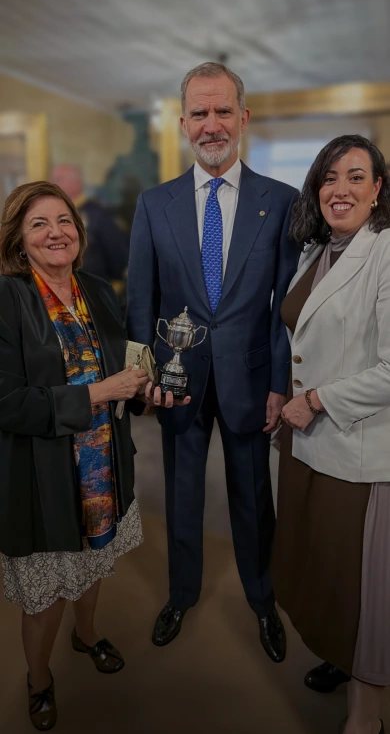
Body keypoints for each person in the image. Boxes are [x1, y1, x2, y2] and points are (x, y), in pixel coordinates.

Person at [127, 62, 299, 659]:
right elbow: (141, 300)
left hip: (250, 377)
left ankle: (263, 601)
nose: (212, 124)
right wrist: (143, 378)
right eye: (199, 113)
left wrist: (280, 381)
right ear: (182, 124)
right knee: (182, 494)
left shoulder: (281, 202)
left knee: (254, 496)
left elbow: (285, 306)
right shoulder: (155, 204)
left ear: (243, 118)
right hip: (178, 379)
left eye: (223, 110)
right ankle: (181, 594)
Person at [0, 180, 183, 732]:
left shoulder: (98, 290)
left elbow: (126, 367)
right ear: (18, 240)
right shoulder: (7, 298)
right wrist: (100, 392)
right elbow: (8, 403)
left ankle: (87, 635)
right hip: (43, 476)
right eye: (39, 224)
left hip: (104, 467)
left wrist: (148, 393)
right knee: (44, 596)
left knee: (93, 565)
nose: (56, 232)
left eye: (64, 221)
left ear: (79, 232)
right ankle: (38, 680)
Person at [271, 135, 390, 734]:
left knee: (362, 585)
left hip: (357, 447)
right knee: (321, 566)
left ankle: (366, 714)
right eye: (329, 177)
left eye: (356, 177)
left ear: (378, 189)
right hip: (306, 441)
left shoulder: (386, 252)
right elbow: (304, 341)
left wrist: (315, 399)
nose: (339, 189)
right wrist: (286, 394)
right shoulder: (317, 250)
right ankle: (342, 658)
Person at [50, 163, 129, 286]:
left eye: (59, 179)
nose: (52, 184)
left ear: (76, 184)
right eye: (53, 179)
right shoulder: (50, 213)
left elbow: (116, 254)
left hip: (93, 288)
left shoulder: (98, 214)